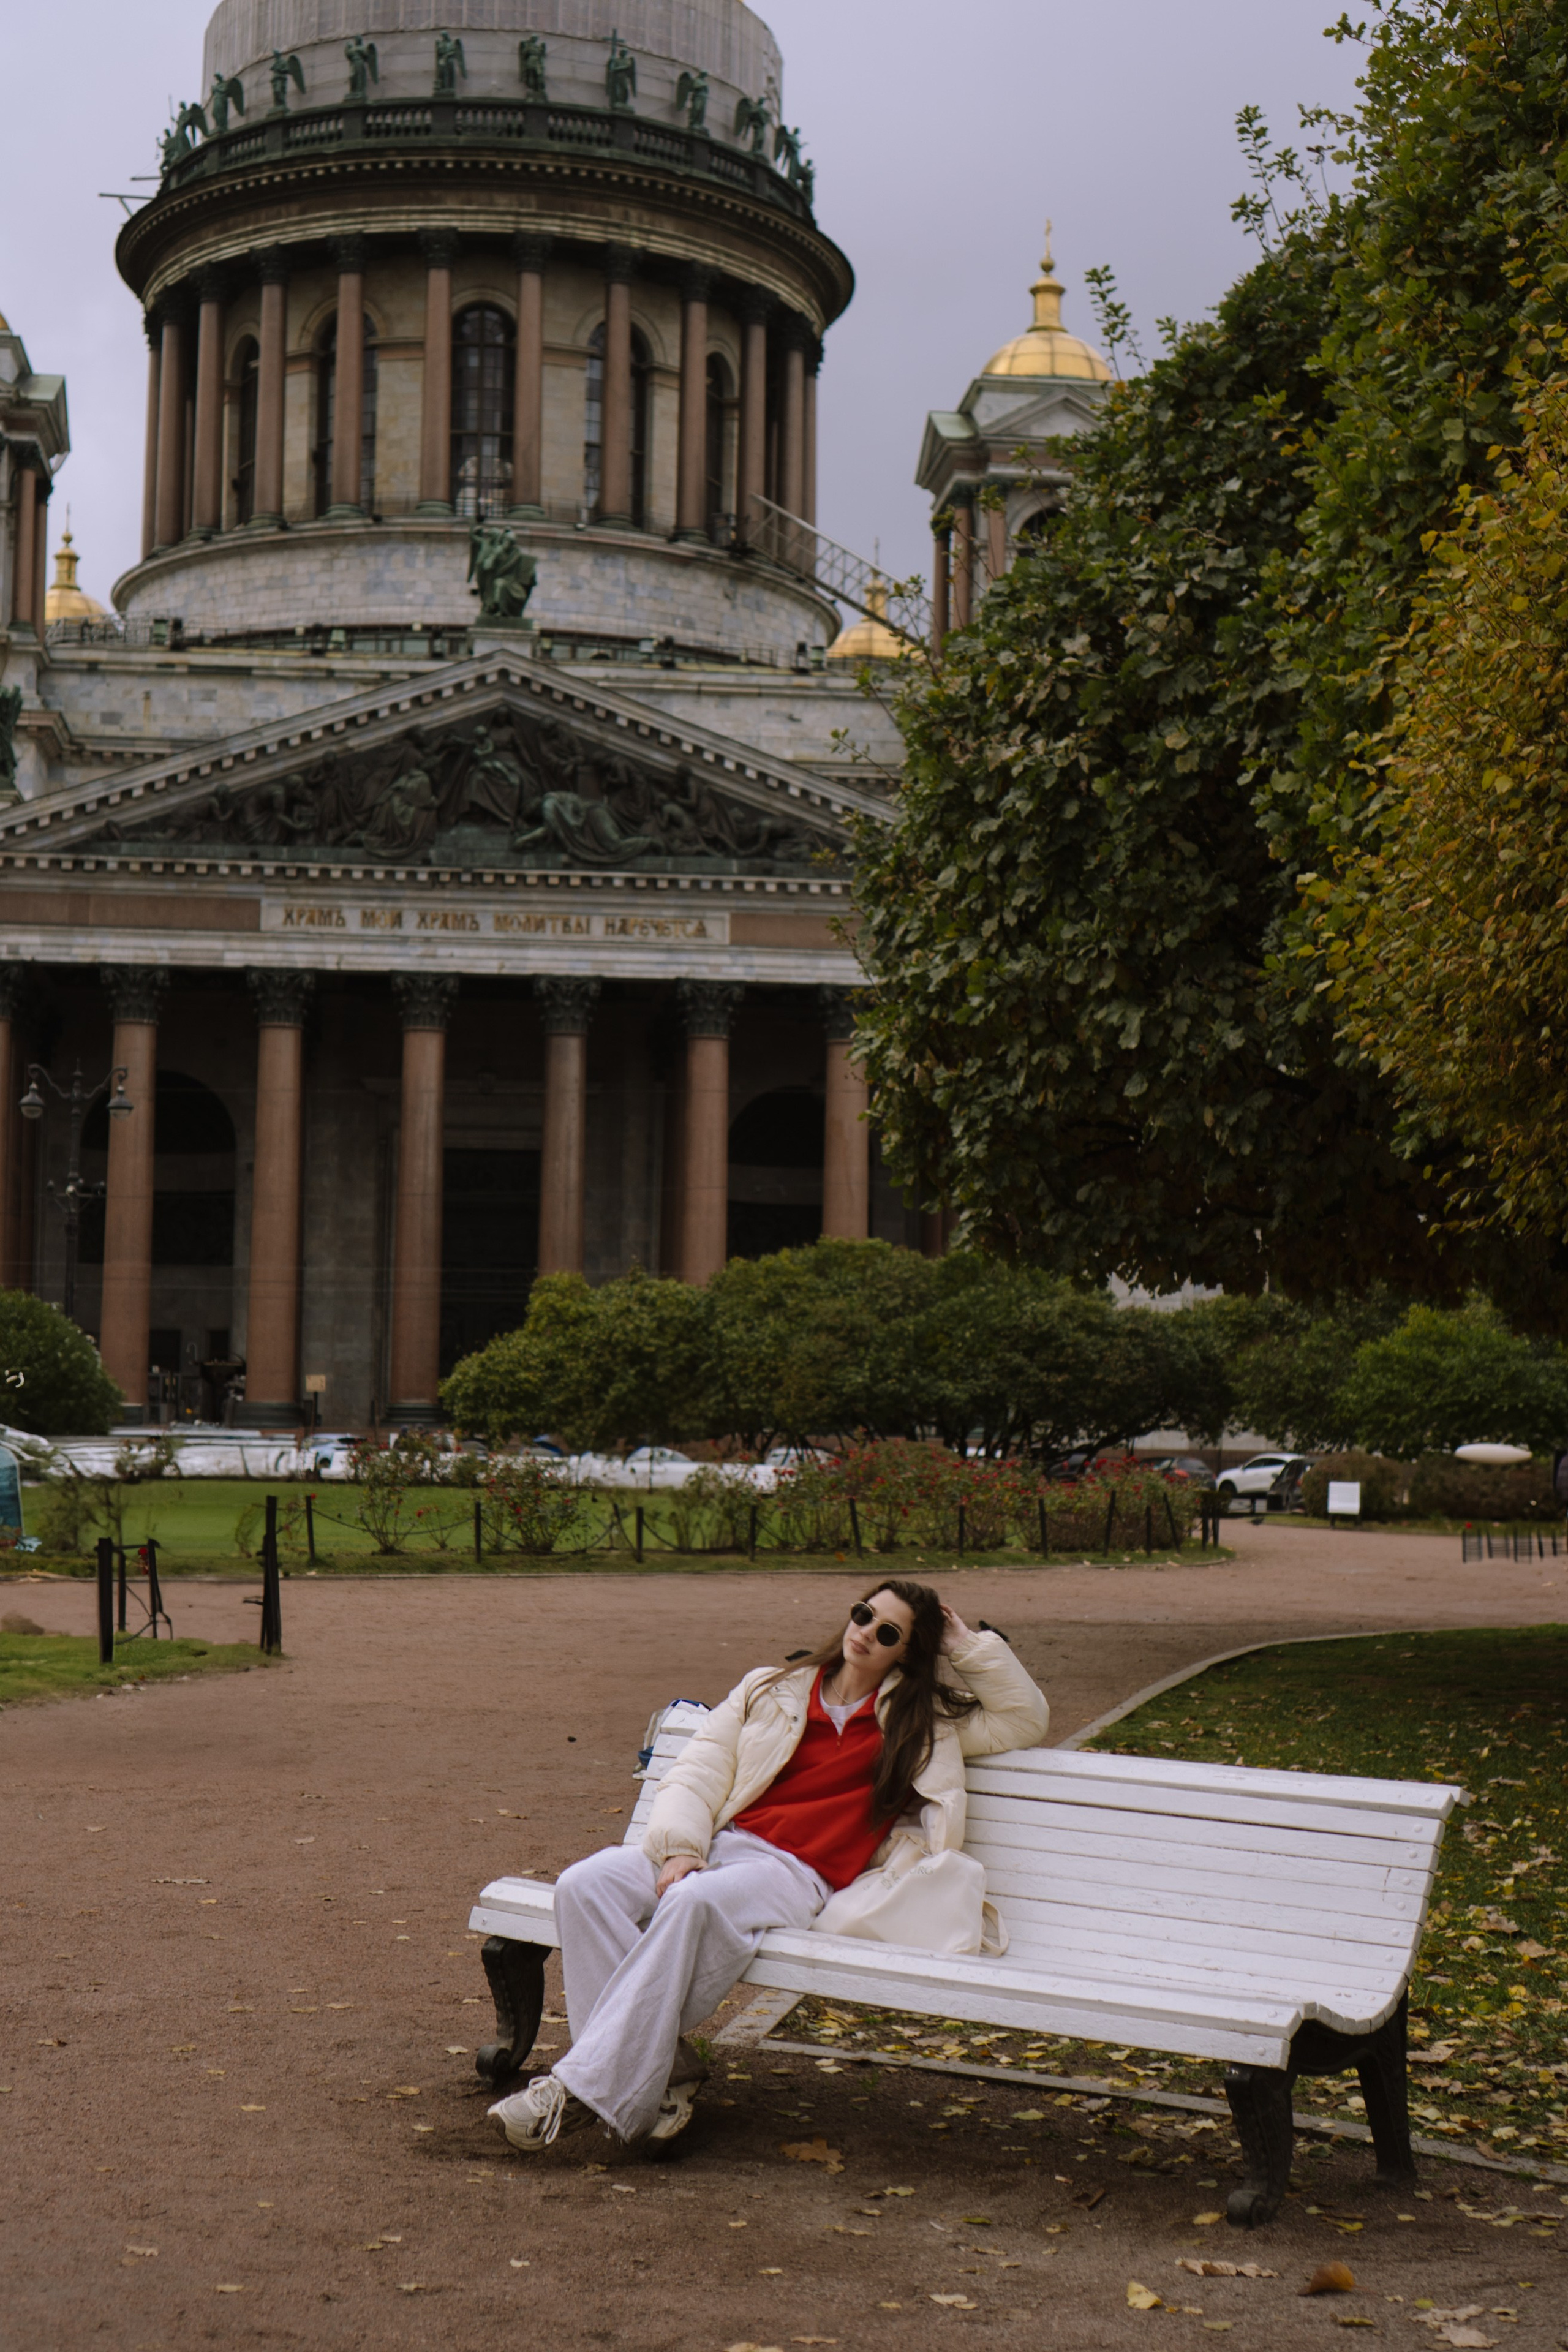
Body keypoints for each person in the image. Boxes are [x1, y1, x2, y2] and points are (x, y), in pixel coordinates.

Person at [488, 1580, 1049, 2154]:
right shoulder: (772, 1687)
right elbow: (698, 1772)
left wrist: (963, 1643)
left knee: (691, 1901)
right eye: (863, 1615)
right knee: (586, 1884)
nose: (865, 1634)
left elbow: (1024, 1719)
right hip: (724, 1844)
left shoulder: (922, 1721)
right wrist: (682, 1846)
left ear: (906, 1651)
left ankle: (574, 2089)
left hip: (796, 1875)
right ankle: (661, 2071)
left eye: (888, 1633)